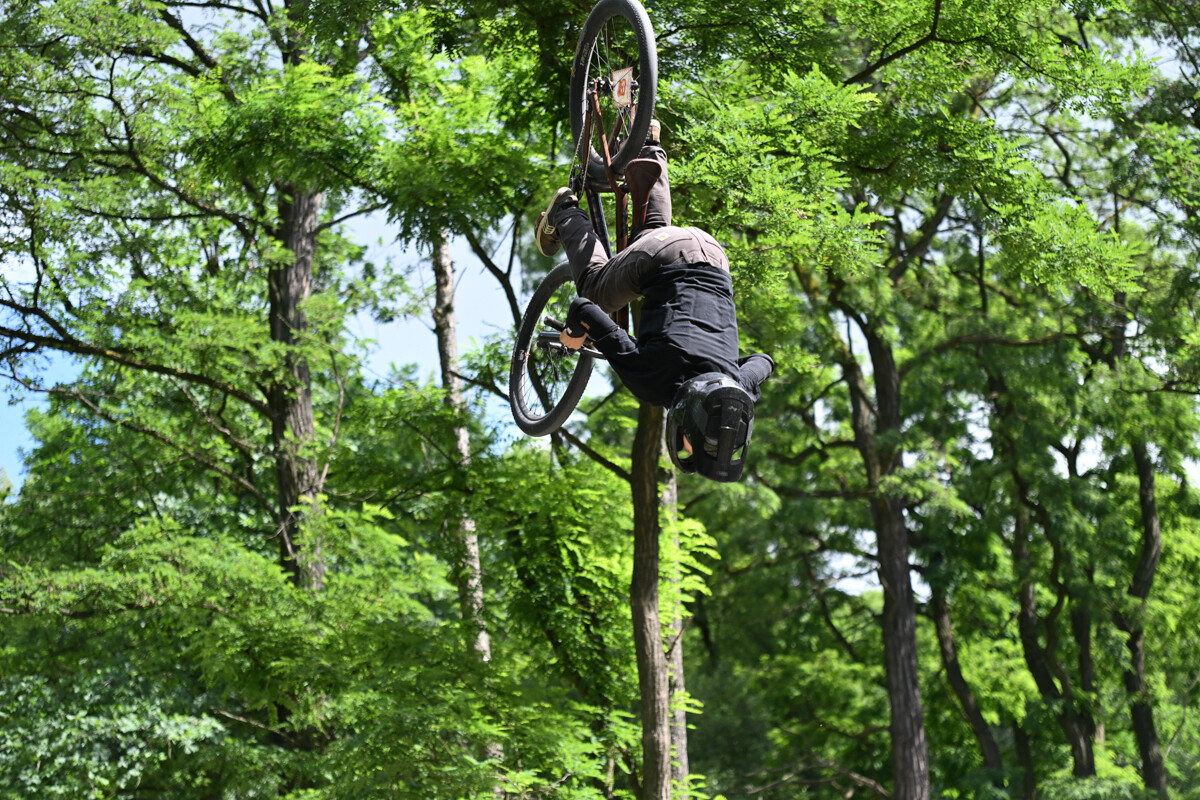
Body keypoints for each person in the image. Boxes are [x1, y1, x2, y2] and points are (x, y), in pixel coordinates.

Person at [533, 121, 774, 482]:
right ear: (685, 424)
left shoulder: (737, 383)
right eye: (692, 443)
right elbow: (584, 311)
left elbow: (765, 361)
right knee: (595, 289)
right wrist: (571, 337)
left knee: (651, 237)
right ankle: (565, 213)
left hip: (710, 253)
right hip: (661, 258)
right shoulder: (655, 383)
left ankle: (649, 143)